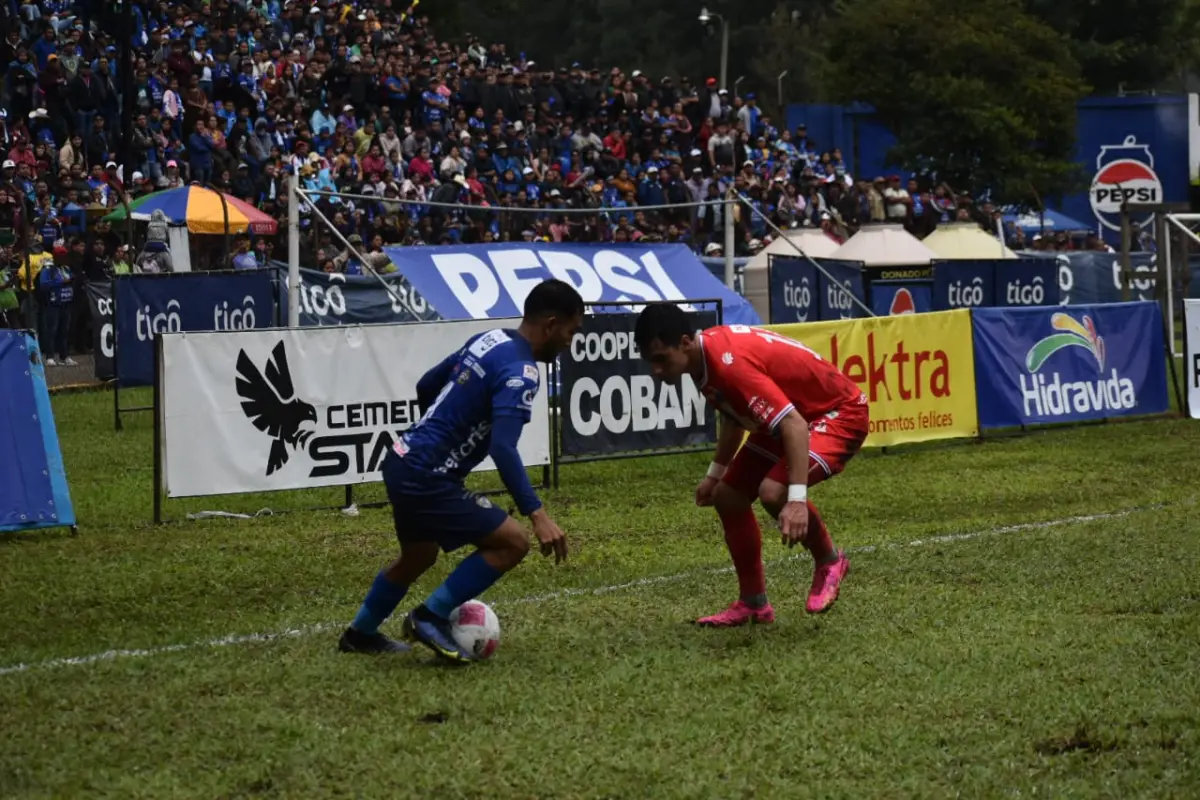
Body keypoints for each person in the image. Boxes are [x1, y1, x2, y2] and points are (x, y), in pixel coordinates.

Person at [339, 278, 586, 661]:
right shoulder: (523, 372)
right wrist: (537, 514)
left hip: (404, 459)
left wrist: (441, 434)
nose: (570, 342)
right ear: (552, 324)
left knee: (419, 555)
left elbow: (427, 386)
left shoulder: (491, 339)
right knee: (513, 542)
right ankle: (429, 616)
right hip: (426, 475)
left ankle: (360, 633)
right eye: (571, 331)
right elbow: (504, 447)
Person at [633, 304, 869, 625]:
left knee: (774, 492)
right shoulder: (704, 358)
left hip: (836, 413)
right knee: (728, 496)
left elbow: (795, 426)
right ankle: (754, 603)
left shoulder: (728, 365)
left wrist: (797, 501)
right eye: (651, 361)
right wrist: (715, 475)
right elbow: (736, 416)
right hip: (791, 417)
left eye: (661, 359)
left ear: (685, 342)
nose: (656, 370)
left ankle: (830, 561)